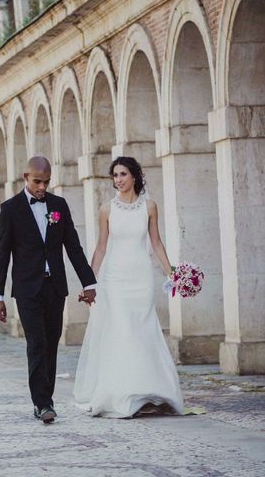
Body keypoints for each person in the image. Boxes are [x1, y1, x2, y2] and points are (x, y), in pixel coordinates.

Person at [73, 156, 184, 418]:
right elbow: (101, 247)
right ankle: (123, 394)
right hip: (115, 279)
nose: (118, 180)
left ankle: (147, 391)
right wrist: (89, 282)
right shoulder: (106, 209)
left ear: (134, 176)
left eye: (122, 174)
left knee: (143, 331)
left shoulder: (150, 207)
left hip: (141, 278)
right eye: (115, 176)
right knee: (122, 331)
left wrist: (173, 273)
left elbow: (156, 243)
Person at [0, 156, 96, 423]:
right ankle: (42, 403)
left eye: (46, 182)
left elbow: (73, 246)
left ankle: (46, 397)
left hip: (55, 287)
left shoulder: (58, 206)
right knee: (36, 343)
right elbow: (2, 254)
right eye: (37, 181)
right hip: (27, 290)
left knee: (51, 344)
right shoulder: (11, 209)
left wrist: (89, 283)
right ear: (25, 177)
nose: (42, 187)